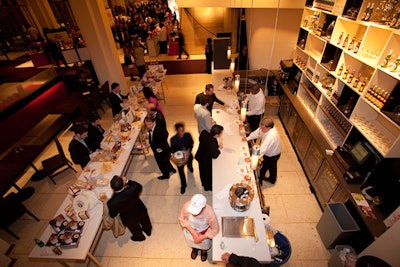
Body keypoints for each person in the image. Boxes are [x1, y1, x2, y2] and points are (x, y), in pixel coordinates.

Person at [107, 175, 152, 241]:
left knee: (134, 228)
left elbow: (112, 214)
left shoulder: (111, 202)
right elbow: (139, 186)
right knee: (145, 220)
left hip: (128, 217)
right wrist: (128, 181)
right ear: (123, 183)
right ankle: (148, 231)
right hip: (140, 209)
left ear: (112, 187)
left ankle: (140, 237)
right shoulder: (133, 189)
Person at [178, 194, 219, 262]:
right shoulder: (187, 206)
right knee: (192, 242)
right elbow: (182, 219)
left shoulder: (209, 213)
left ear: (203, 207)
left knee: (204, 245)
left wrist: (201, 237)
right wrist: (194, 234)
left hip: (203, 232)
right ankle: (195, 249)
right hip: (190, 230)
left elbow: (215, 229)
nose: (193, 213)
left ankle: (204, 251)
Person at [242, 117, 281, 185]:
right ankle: (272, 179)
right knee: (273, 166)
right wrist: (248, 138)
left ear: (268, 128)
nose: (261, 129)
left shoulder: (270, 136)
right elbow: (257, 132)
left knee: (263, 168)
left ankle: (259, 181)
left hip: (272, 155)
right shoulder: (265, 128)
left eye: (263, 128)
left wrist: (251, 158)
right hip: (273, 152)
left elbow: (262, 150)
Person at [143, 116, 176, 180]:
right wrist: (147, 134)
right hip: (164, 148)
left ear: (154, 122)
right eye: (146, 125)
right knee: (166, 160)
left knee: (161, 163)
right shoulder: (155, 126)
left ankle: (166, 175)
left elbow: (163, 137)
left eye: (149, 124)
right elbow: (152, 133)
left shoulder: (158, 131)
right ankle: (171, 169)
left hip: (160, 150)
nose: (148, 126)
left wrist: (151, 145)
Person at [195, 124, 223, 191]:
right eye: (221, 133)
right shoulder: (213, 142)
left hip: (200, 155)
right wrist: (219, 148)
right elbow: (215, 155)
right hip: (206, 160)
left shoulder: (204, 132)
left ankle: (204, 184)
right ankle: (208, 187)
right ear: (216, 135)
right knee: (207, 174)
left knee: (202, 172)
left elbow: (200, 139)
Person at [170, 122, 194, 194]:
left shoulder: (188, 135)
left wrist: (188, 150)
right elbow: (173, 150)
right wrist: (175, 156)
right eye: (180, 131)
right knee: (181, 172)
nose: (182, 132)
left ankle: (190, 167)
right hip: (180, 157)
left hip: (188, 154)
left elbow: (191, 143)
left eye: (183, 130)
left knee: (190, 162)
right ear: (177, 131)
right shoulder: (173, 139)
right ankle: (183, 185)